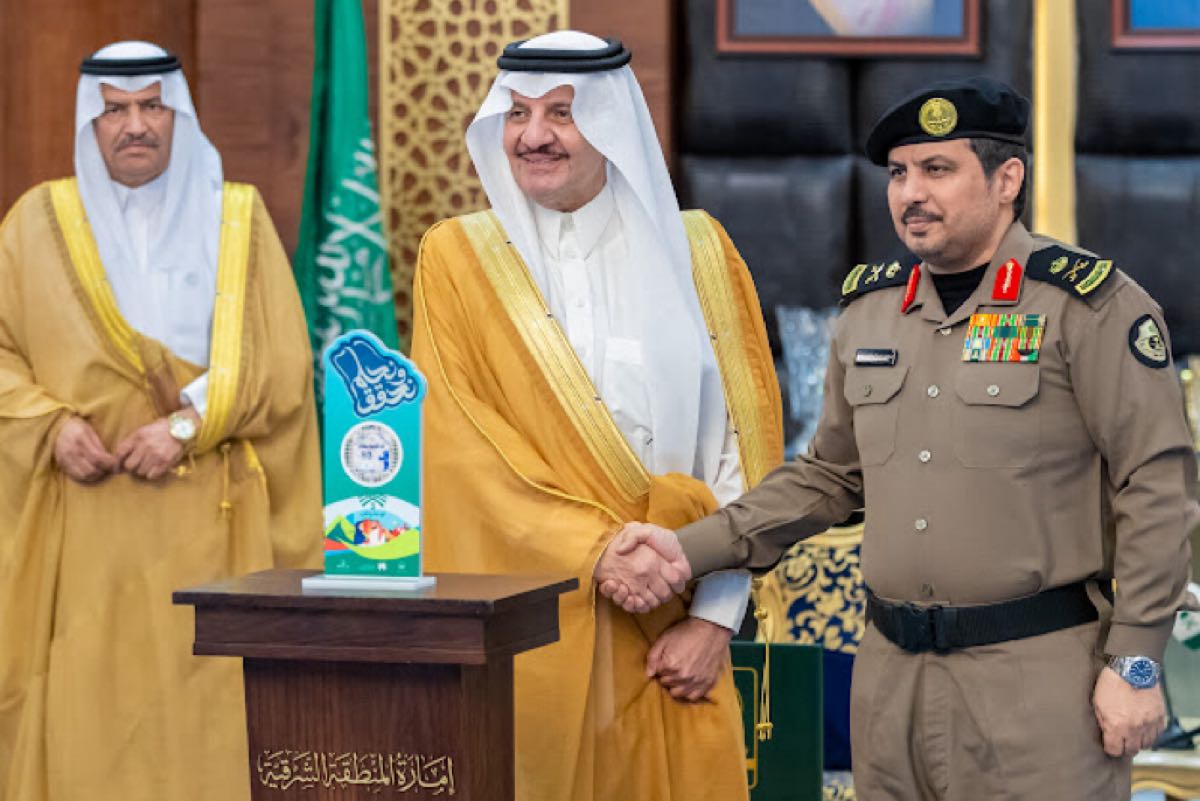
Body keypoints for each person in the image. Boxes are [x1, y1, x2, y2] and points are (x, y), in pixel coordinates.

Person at [602, 76, 1198, 800]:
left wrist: (1135, 661)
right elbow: (829, 475)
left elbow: (1156, 485)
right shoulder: (871, 312)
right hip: (889, 681)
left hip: (1038, 681)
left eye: (937, 169)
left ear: (1007, 179)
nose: (911, 193)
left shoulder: (1087, 306)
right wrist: (685, 548)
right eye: (898, 173)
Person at [410, 30, 782, 801]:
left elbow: (744, 448)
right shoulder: (456, 259)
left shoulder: (701, 252)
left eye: (562, 113)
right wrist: (595, 551)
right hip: (530, 623)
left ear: (612, 122)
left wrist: (715, 619)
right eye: (517, 113)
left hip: (673, 625)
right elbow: (459, 449)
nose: (534, 135)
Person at [0, 41, 321, 801]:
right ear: (91, 122)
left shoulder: (235, 216)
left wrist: (186, 426)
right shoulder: (35, 224)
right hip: (84, 526)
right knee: (90, 723)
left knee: (207, 717)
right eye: (115, 109)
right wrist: (50, 426)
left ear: (179, 114)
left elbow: (281, 362)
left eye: (152, 106)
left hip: (209, 522)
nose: (135, 125)